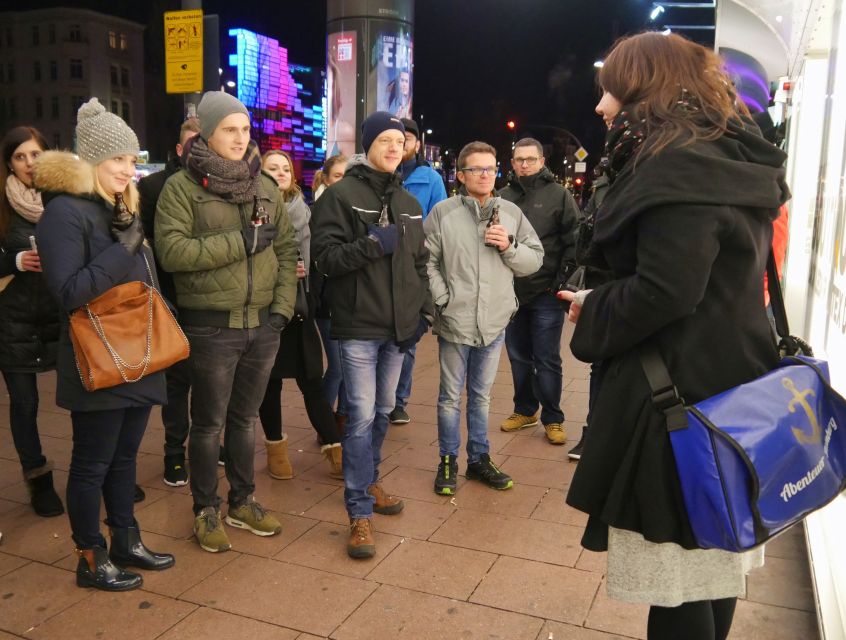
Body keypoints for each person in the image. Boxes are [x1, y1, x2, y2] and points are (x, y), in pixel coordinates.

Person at [559, 32, 788, 640]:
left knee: (680, 578)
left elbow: (666, 291)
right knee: (715, 567)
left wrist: (595, 308)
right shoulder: (726, 153)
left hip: (678, 402)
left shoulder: (674, 162)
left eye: (610, 90)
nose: (602, 106)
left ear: (642, 88)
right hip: (733, 388)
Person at [34, 98, 175, 591]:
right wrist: (123, 249)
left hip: (138, 353)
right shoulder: (63, 213)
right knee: (92, 463)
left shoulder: (118, 208)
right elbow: (69, 292)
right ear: (92, 159)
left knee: (124, 460)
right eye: (117, 159)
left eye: (132, 159)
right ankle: (90, 557)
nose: (127, 169)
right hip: (97, 358)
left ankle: (126, 541)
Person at [155, 91, 298, 554]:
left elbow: (286, 250)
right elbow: (172, 253)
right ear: (207, 134)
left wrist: (280, 311)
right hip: (211, 326)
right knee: (207, 424)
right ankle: (205, 509)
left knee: (244, 420)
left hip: (263, 325)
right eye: (229, 130)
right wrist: (241, 241)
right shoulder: (182, 187)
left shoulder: (265, 185)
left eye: (245, 129)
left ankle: (242, 500)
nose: (240, 138)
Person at [311, 112, 432, 559]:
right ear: (368, 145)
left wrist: (424, 312)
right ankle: (358, 511)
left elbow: (420, 263)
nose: (394, 147)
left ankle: (370, 480)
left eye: (399, 140)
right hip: (359, 326)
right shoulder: (340, 196)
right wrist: (373, 244)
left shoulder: (408, 201)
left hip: (400, 329)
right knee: (360, 416)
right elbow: (325, 259)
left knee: (382, 411)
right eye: (384, 140)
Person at [425, 141, 544, 496]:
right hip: (455, 321)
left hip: (493, 323)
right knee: (449, 397)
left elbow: (534, 259)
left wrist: (509, 246)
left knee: (481, 396)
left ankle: (479, 459)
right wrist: (443, 300)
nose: (484, 175)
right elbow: (426, 262)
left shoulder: (510, 213)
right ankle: (448, 460)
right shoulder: (443, 213)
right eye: (476, 169)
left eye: (490, 169)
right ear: (461, 175)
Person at [258, 150, 343, 480]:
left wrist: (307, 279)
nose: (281, 173)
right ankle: (276, 450)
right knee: (270, 383)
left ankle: (335, 449)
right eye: (273, 168)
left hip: (299, 306)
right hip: (266, 308)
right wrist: (280, 269)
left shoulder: (303, 211)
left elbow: (315, 257)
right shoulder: (252, 208)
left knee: (312, 380)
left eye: (285, 168)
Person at [0, 126, 63, 518]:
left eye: (35, 154)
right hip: (14, 321)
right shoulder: (3, 206)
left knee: (85, 395)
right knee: (25, 404)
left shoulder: (63, 197)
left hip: (60, 314)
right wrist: (15, 260)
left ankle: (102, 471)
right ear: (9, 163)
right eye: (19, 157)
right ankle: (38, 480)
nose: (28, 163)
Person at [499, 138, 579, 445]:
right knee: (519, 357)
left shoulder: (559, 195)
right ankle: (525, 410)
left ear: (542, 161)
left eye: (530, 159)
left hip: (546, 291)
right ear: (512, 162)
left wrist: (560, 282)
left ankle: (553, 418)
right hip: (512, 293)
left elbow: (573, 240)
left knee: (546, 358)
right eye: (519, 159)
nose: (524, 165)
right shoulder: (503, 196)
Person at [138, 117, 201, 488]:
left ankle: (208, 443)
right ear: (179, 149)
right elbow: (148, 246)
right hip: (171, 299)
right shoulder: (153, 186)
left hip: (210, 301)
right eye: (192, 143)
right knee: (176, 383)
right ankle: (174, 452)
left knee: (210, 381)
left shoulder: (219, 184)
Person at [388, 117, 449, 426]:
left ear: (416, 143)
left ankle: (398, 401)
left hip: (413, 265)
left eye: (406, 139)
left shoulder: (430, 179)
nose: (400, 145)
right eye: (393, 139)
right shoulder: (380, 174)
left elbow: (440, 224)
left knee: (407, 338)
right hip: (381, 263)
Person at [311, 154, 349, 432]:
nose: (343, 182)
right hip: (327, 302)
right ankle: (323, 421)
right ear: (325, 179)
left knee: (351, 366)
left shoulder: (356, 209)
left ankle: (342, 416)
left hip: (353, 301)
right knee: (338, 367)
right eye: (338, 176)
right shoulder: (318, 211)